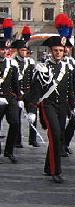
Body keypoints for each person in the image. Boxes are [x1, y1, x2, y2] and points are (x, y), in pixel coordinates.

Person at [24, 14, 75, 183]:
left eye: (61, 50)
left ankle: (48, 166)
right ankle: (56, 171)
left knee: (58, 135)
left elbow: (70, 89)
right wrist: (32, 109)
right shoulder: (42, 68)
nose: (58, 53)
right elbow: (36, 90)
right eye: (55, 50)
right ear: (50, 51)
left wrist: (73, 106)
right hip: (48, 105)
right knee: (55, 134)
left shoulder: (68, 68)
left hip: (62, 106)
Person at [12, 25, 39, 148]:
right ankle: (17, 140)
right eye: (22, 50)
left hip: (28, 93)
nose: (24, 52)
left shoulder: (30, 62)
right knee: (16, 119)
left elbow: (34, 78)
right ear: (18, 51)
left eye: (25, 50)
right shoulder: (13, 63)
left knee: (33, 116)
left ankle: (32, 139)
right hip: (17, 94)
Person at [0, 18, 20, 163]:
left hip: (9, 97)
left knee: (15, 123)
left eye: (7, 49)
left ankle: (9, 151)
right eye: (2, 49)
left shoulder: (12, 64)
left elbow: (15, 83)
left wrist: (19, 99)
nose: (5, 51)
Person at [63, 28, 75, 156]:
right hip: (57, 97)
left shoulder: (71, 62)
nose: (66, 50)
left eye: (68, 48)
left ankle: (65, 143)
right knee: (59, 123)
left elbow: (74, 80)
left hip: (69, 97)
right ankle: (59, 146)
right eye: (65, 47)